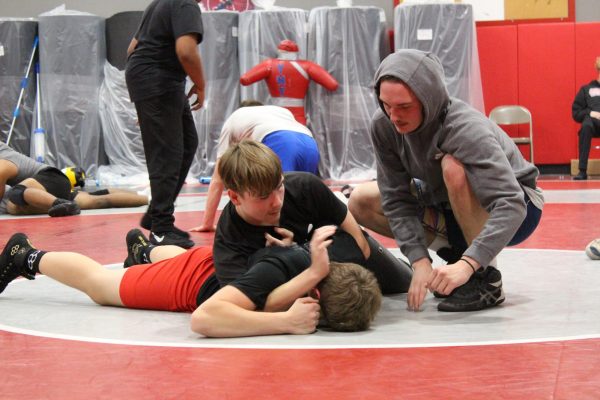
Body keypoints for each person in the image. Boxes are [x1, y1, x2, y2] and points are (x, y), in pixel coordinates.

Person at [348, 49, 544, 313]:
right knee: (361, 200)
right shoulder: (384, 125)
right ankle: (454, 255)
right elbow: (395, 197)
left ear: (429, 99)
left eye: (404, 107)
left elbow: (512, 204)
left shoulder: (465, 128)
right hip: (446, 203)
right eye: (386, 104)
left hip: (519, 207)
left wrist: (469, 264)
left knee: (453, 167)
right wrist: (419, 261)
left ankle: (485, 278)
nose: (393, 116)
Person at [0, 226, 382, 337]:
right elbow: (205, 318)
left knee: (185, 262)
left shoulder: (319, 265)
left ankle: (146, 252)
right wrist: (284, 322)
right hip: (190, 284)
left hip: (209, 266)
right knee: (101, 286)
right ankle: (27, 256)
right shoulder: (283, 280)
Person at [209, 140, 413, 297]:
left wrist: (295, 256)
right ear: (235, 197)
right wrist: (294, 261)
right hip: (310, 273)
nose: (277, 202)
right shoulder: (229, 239)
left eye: (279, 187)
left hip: (336, 259)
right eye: (263, 197)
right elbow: (244, 301)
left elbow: (360, 245)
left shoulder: (303, 186)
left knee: (406, 281)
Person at [126, 0, 205, 248]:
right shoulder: (186, 4)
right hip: (159, 80)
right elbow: (186, 50)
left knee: (187, 143)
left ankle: (155, 214)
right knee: (167, 153)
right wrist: (201, 84)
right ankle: (161, 229)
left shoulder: (160, 3)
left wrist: (145, 98)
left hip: (155, 80)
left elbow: (132, 48)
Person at [190, 102, 321, 232]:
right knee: (305, 194)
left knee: (277, 196)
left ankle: (279, 241)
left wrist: (207, 223)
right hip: (309, 141)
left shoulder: (233, 120)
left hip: (279, 140)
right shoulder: (279, 111)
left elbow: (218, 179)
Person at [0, 141, 148, 216]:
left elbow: (3, 172)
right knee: (96, 200)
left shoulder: (3, 157)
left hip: (49, 177)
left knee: (16, 194)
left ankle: (59, 204)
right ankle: (146, 199)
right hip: (48, 187)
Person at [240, 39, 338, 125]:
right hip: (297, 117)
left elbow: (245, 79)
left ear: (279, 51)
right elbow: (332, 85)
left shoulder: (269, 64)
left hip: (275, 114)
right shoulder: (307, 66)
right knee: (298, 140)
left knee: (275, 141)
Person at [571, 56, 600, 180]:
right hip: (592, 122)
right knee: (586, 126)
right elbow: (576, 113)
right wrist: (590, 112)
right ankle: (582, 170)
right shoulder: (586, 89)